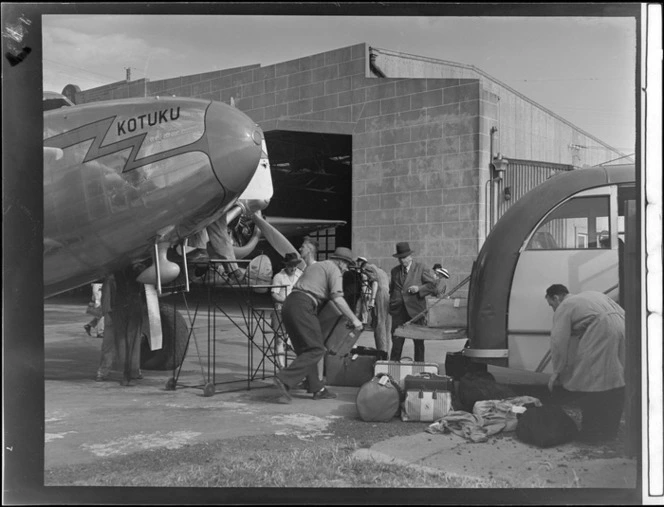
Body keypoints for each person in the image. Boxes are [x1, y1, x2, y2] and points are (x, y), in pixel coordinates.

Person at [272, 247, 363, 402]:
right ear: (341, 262)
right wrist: (354, 319)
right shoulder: (334, 270)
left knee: (306, 350)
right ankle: (284, 379)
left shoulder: (316, 266)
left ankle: (317, 388)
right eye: (347, 266)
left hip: (289, 305)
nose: (347, 269)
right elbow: (337, 298)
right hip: (303, 305)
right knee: (316, 349)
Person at [545, 284, 626, 443]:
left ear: (556, 297)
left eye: (551, 305)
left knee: (590, 381)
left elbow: (558, 341)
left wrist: (557, 371)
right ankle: (610, 432)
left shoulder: (565, 305)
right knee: (616, 380)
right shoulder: (592, 294)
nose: (553, 309)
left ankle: (592, 434)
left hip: (602, 329)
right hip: (623, 326)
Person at [388, 242, 437, 362]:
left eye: (404, 257)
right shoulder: (394, 271)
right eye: (400, 258)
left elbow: (433, 285)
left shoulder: (421, 268)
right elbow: (392, 288)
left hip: (416, 311)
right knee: (396, 344)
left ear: (411, 256)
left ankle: (419, 370)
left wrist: (419, 289)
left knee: (419, 344)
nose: (402, 260)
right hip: (398, 312)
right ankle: (393, 370)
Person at [271, 252, 303, 368]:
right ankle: (281, 366)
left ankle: (297, 367)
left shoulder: (300, 275)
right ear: (286, 265)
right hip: (281, 310)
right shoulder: (279, 277)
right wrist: (285, 301)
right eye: (290, 266)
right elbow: (274, 294)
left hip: (296, 311)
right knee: (279, 340)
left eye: (295, 266)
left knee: (298, 339)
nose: (293, 268)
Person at [356, 257, 391, 358]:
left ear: (361, 263)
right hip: (387, 296)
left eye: (358, 262)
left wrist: (372, 299)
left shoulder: (367, 267)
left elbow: (375, 282)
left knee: (379, 325)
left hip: (379, 295)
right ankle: (387, 355)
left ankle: (382, 354)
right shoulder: (382, 271)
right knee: (387, 328)